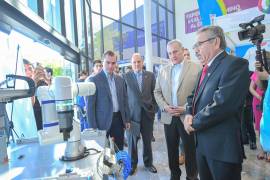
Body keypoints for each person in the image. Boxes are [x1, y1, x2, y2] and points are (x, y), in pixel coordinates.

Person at [184, 26, 249, 180]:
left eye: (199, 44)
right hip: (202, 146)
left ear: (216, 42)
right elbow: (192, 97)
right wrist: (187, 113)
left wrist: (193, 122)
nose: (196, 50)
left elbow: (223, 105)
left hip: (222, 151)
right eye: (195, 46)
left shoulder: (235, 64)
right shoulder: (204, 70)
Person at [154, 39, 200, 180]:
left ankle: (192, 176)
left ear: (182, 50)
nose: (172, 55)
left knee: (190, 150)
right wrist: (165, 107)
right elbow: (157, 92)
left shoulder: (196, 68)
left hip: (187, 117)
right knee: (172, 151)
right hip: (169, 117)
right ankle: (175, 175)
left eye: (175, 51)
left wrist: (185, 108)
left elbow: (200, 93)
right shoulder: (163, 71)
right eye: (169, 53)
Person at [85, 50, 130, 150]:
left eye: (113, 63)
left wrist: (126, 119)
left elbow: (124, 100)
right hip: (101, 122)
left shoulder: (120, 79)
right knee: (103, 152)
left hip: (118, 120)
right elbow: (90, 107)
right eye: (107, 62)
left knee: (119, 150)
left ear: (116, 63)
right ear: (102, 62)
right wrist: (93, 128)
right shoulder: (94, 80)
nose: (110, 66)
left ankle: (120, 165)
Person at [123, 53, 157, 175]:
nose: (136, 64)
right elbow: (124, 98)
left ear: (142, 62)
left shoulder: (150, 76)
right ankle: (132, 165)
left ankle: (148, 163)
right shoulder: (126, 77)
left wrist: (153, 110)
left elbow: (155, 94)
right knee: (132, 143)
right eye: (134, 62)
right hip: (132, 117)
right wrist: (126, 118)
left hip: (147, 115)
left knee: (147, 141)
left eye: (138, 61)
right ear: (131, 64)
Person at [33, 65, 50, 130]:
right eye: (37, 72)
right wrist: (35, 80)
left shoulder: (44, 82)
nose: (39, 73)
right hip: (37, 110)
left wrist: (46, 79)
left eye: (41, 71)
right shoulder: (32, 83)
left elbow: (50, 93)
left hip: (45, 110)